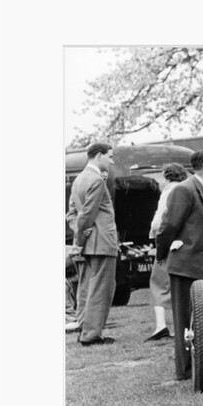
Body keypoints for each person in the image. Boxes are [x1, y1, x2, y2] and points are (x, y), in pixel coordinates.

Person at [155, 149, 203, 380]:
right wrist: (162, 254)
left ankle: (198, 364)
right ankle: (185, 370)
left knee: (200, 321)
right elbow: (167, 227)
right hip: (186, 265)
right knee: (185, 320)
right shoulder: (184, 190)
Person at [66, 142, 119, 346]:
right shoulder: (96, 180)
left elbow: (72, 214)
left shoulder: (79, 179)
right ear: (99, 156)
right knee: (102, 288)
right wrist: (81, 235)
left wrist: (80, 233)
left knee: (89, 287)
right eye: (110, 156)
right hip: (101, 242)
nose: (112, 161)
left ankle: (85, 329)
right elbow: (87, 214)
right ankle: (91, 335)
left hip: (90, 243)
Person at [145, 163, 189, 341]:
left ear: (166, 177)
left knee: (158, 283)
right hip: (185, 243)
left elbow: (159, 222)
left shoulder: (169, 191)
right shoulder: (187, 188)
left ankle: (160, 326)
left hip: (168, 243)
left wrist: (154, 234)